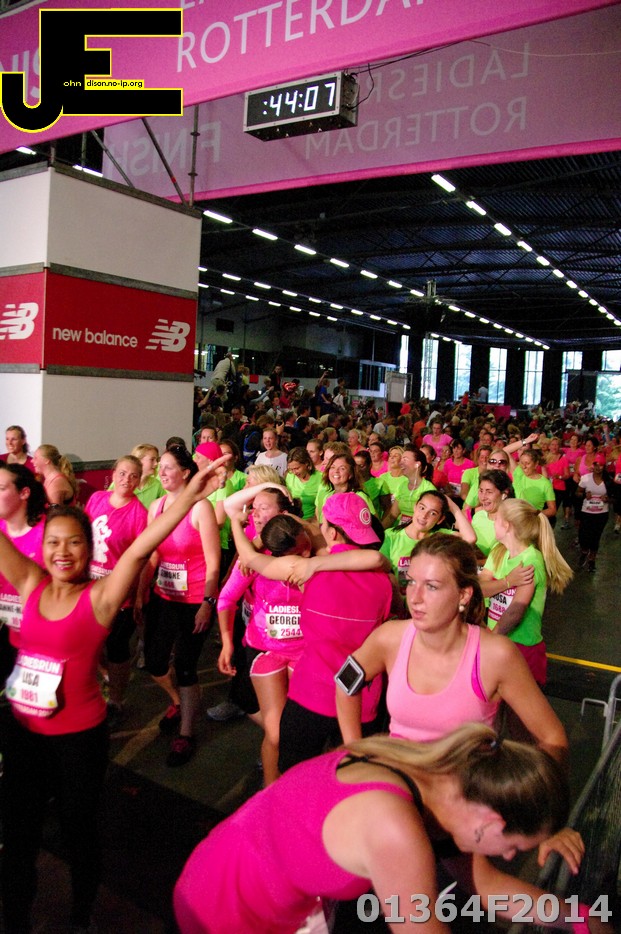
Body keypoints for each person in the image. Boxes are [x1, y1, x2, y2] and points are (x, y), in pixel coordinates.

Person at [0, 458, 228, 933]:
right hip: (23, 734)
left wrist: (190, 496)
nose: (62, 552)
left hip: (78, 740)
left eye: (74, 542)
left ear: (89, 548)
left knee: (78, 832)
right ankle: (16, 919)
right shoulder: (30, 583)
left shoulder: (100, 598)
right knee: (18, 837)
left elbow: (143, 546)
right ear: (42, 548)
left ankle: (81, 915)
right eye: (53, 542)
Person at [174, 723, 597, 934]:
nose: (508, 857)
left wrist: (583, 920)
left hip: (263, 881)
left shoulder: (441, 784)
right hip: (226, 905)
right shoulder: (394, 827)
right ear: (492, 821)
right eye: (514, 847)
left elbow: (488, 888)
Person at [336, 535, 565, 761]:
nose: (414, 598)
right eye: (412, 582)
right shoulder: (390, 638)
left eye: (431, 586)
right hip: (400, 782)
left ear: (463, 595)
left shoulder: (495, 655)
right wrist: (354, 751)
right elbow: (345, 683)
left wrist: (516, 781)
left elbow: (553, 739)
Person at [232, 493, 393, 772]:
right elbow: (378, 560)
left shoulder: (305, 570)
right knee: (350, 776)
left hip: (312, 693)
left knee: (293, 772)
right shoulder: (385, 579)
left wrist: (235, 522)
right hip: (362, 699)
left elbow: (249, 557)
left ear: (331, 532)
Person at [136, 445, 222, 766]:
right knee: (155, 663)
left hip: (194, 602)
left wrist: (207, 604)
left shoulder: (201, 509)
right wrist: (140, 593)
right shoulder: (157, 507)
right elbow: (152, 555)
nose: (162, 472)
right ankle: (176, 701)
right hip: (163, 597)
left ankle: (186, 733)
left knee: (186, 666)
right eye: (160, 466)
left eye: (169, 467)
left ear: (186, 473)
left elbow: (214, 562)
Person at [217, 513, 309, 784]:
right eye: (298, 551)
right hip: (265, 651)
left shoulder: (317, 561)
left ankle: (296, 782)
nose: (305, 554)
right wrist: (226, 642)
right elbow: (226, 599)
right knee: (276, 733)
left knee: (301, 729)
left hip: (305, 653)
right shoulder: (254, 564)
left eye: (306, 546)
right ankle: (270, 791)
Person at [479, 498, 573, 685]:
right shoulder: (499, 551)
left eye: (496, 519)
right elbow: (479, 588)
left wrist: (491, 640)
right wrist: (508, 581)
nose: (493, 522)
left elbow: (515, 612)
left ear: (507, 526)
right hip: (498, 639)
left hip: (521, 646)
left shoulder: (531, 561)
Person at [85, 455, 148, 724]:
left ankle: (116, 700)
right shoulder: (97, 499)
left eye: (133, 476)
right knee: (89, 641)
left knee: (116, 645)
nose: (126, 480)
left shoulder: (139, 514)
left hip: (120, 594)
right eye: (122, 473)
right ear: (113, 474)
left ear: (139, 480)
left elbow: (143, 559)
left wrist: (139, 595)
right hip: (90, 587)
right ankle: (102, 678)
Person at [0, 464, 46, 680]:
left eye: (1, 488)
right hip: (6, 631)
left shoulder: (49, 534)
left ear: (24, 493)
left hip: (40, 639)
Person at [380, 490, 476, 593]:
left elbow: (470, 538)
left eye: (433, 513)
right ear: (415, 507)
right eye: (422, 508)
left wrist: (454, 507)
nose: (424, 516)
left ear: (440, 519)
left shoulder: (440, 538)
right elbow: (382, 575)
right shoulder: (391, 536)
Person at [382, 446, 436, 528]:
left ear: (417, 464)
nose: (401, 463)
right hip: (401, 530)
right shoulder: (402, 486)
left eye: (405, 459)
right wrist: (379, 532)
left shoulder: (428, 489)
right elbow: (392, 516)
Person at [576, 454, 613, 572]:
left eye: (600, 465)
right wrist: (584, 495)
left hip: (602, 514)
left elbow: (615, 498)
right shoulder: (586, 478)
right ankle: (584, 551)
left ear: (604, 467)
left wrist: (608, 499)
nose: (598, 467)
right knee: (583, 535)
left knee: (596, 537)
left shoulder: (608, 481)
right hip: (586, 512)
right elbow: (577, 493)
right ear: (593, 465)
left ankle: (592, 559)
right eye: (596, 465)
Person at [470, 469, 515, 558]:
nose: (483, 497)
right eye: (481, 491)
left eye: (489, 492)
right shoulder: (478, 516)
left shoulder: (512, 523)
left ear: (504, 494)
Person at [511, 449, 556, 521]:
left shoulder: (545, 483)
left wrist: (534, 514)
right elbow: (505, 451)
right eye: (521, 463)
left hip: (532, 523)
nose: (524, 466)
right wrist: (524, 442)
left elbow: (552, 510)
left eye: (527, 463)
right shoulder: (518, 473)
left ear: (536, 464)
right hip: (514, 520)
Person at [285, 447, 322, 520]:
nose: (294, 472)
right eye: (291, 469)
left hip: (313, 521)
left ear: (306, 463)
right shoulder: (289, 476)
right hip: (292, 520)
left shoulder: (320, 478)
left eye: (297, 468)